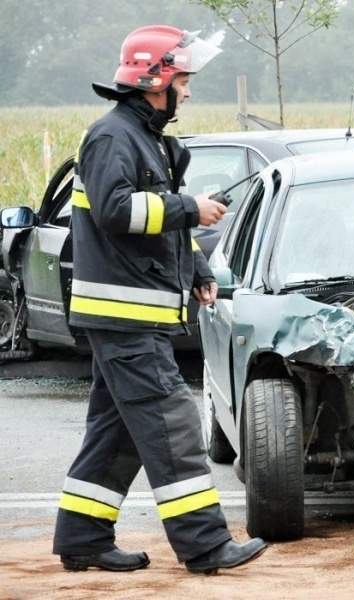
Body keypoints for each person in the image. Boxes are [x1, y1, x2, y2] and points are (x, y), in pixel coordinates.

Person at [52, 25, 266, 574]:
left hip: (132, 315)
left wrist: (194, 265)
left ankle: (82, 539)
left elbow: (161, 222)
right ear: (156, 79)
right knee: (173, 426)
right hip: (125, 318)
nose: (188, 92)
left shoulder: (142, 137)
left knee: (115, 428)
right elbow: (116, 211)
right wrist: (189, 207)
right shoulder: (112, 137)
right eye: (185, 80)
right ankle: (206, 545)